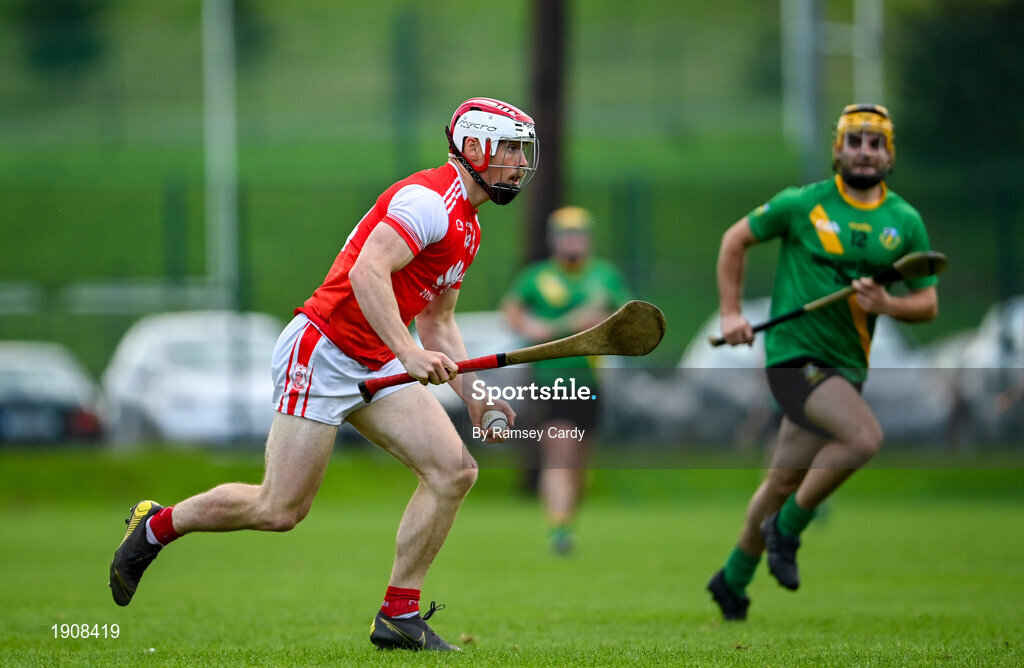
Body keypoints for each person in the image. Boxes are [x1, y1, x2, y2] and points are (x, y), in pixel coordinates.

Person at [108, 97, 538, 651]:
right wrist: (406, 353)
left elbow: (440, 322)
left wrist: (475, 397)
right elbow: (367, 273)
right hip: (323, 350)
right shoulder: (427, 200)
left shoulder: (469, 229)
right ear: (475, 148)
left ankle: (399, 617)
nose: (518, 163)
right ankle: (155, 527)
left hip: (376, 355)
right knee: (279, 509)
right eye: (509, 149)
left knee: (453, 471)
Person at [706, 104, 939, 621]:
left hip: (846, 368)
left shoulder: (903, 222)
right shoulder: (803, 205)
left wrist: (888, 305)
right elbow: (734, 240)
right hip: (795, 360)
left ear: (888, 154)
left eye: (875, 143)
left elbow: (927, 303)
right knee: (863, 439)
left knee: (783, 479)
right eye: (854, 141)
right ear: (838, 149)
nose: (863, 151)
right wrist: (730, 313)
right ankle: (787, 531)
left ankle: (732, 579)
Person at [501, 206, 632, 554]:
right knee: (560, 452)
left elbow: (623, 318)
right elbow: (511, 312)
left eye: (579, 234)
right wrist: (535, 328)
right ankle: (558, 529)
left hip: (589, 381)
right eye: (565, 235)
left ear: (589, 239)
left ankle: (566, 522)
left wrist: (591, 319)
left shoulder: (605, 276)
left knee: (579, 465)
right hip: (550, 380)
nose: (572, 241)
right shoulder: (536, 276)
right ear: (554, 241)